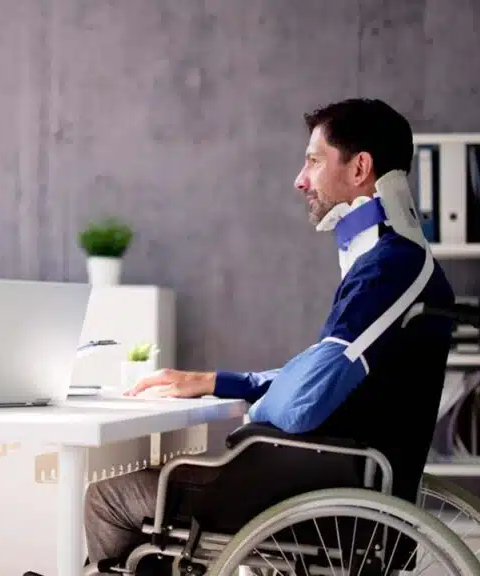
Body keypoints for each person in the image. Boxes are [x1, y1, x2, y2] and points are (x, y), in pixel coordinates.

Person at [80, 98, 456, 573]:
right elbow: (326, 374)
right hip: (336, 481)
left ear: (360, 168)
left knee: (107, 496)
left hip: (315, 495)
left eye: (313, 161)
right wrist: (217, 382)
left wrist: (256, 406)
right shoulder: (397, 263)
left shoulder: (389, 266)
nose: (300, 180)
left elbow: (304, 399)